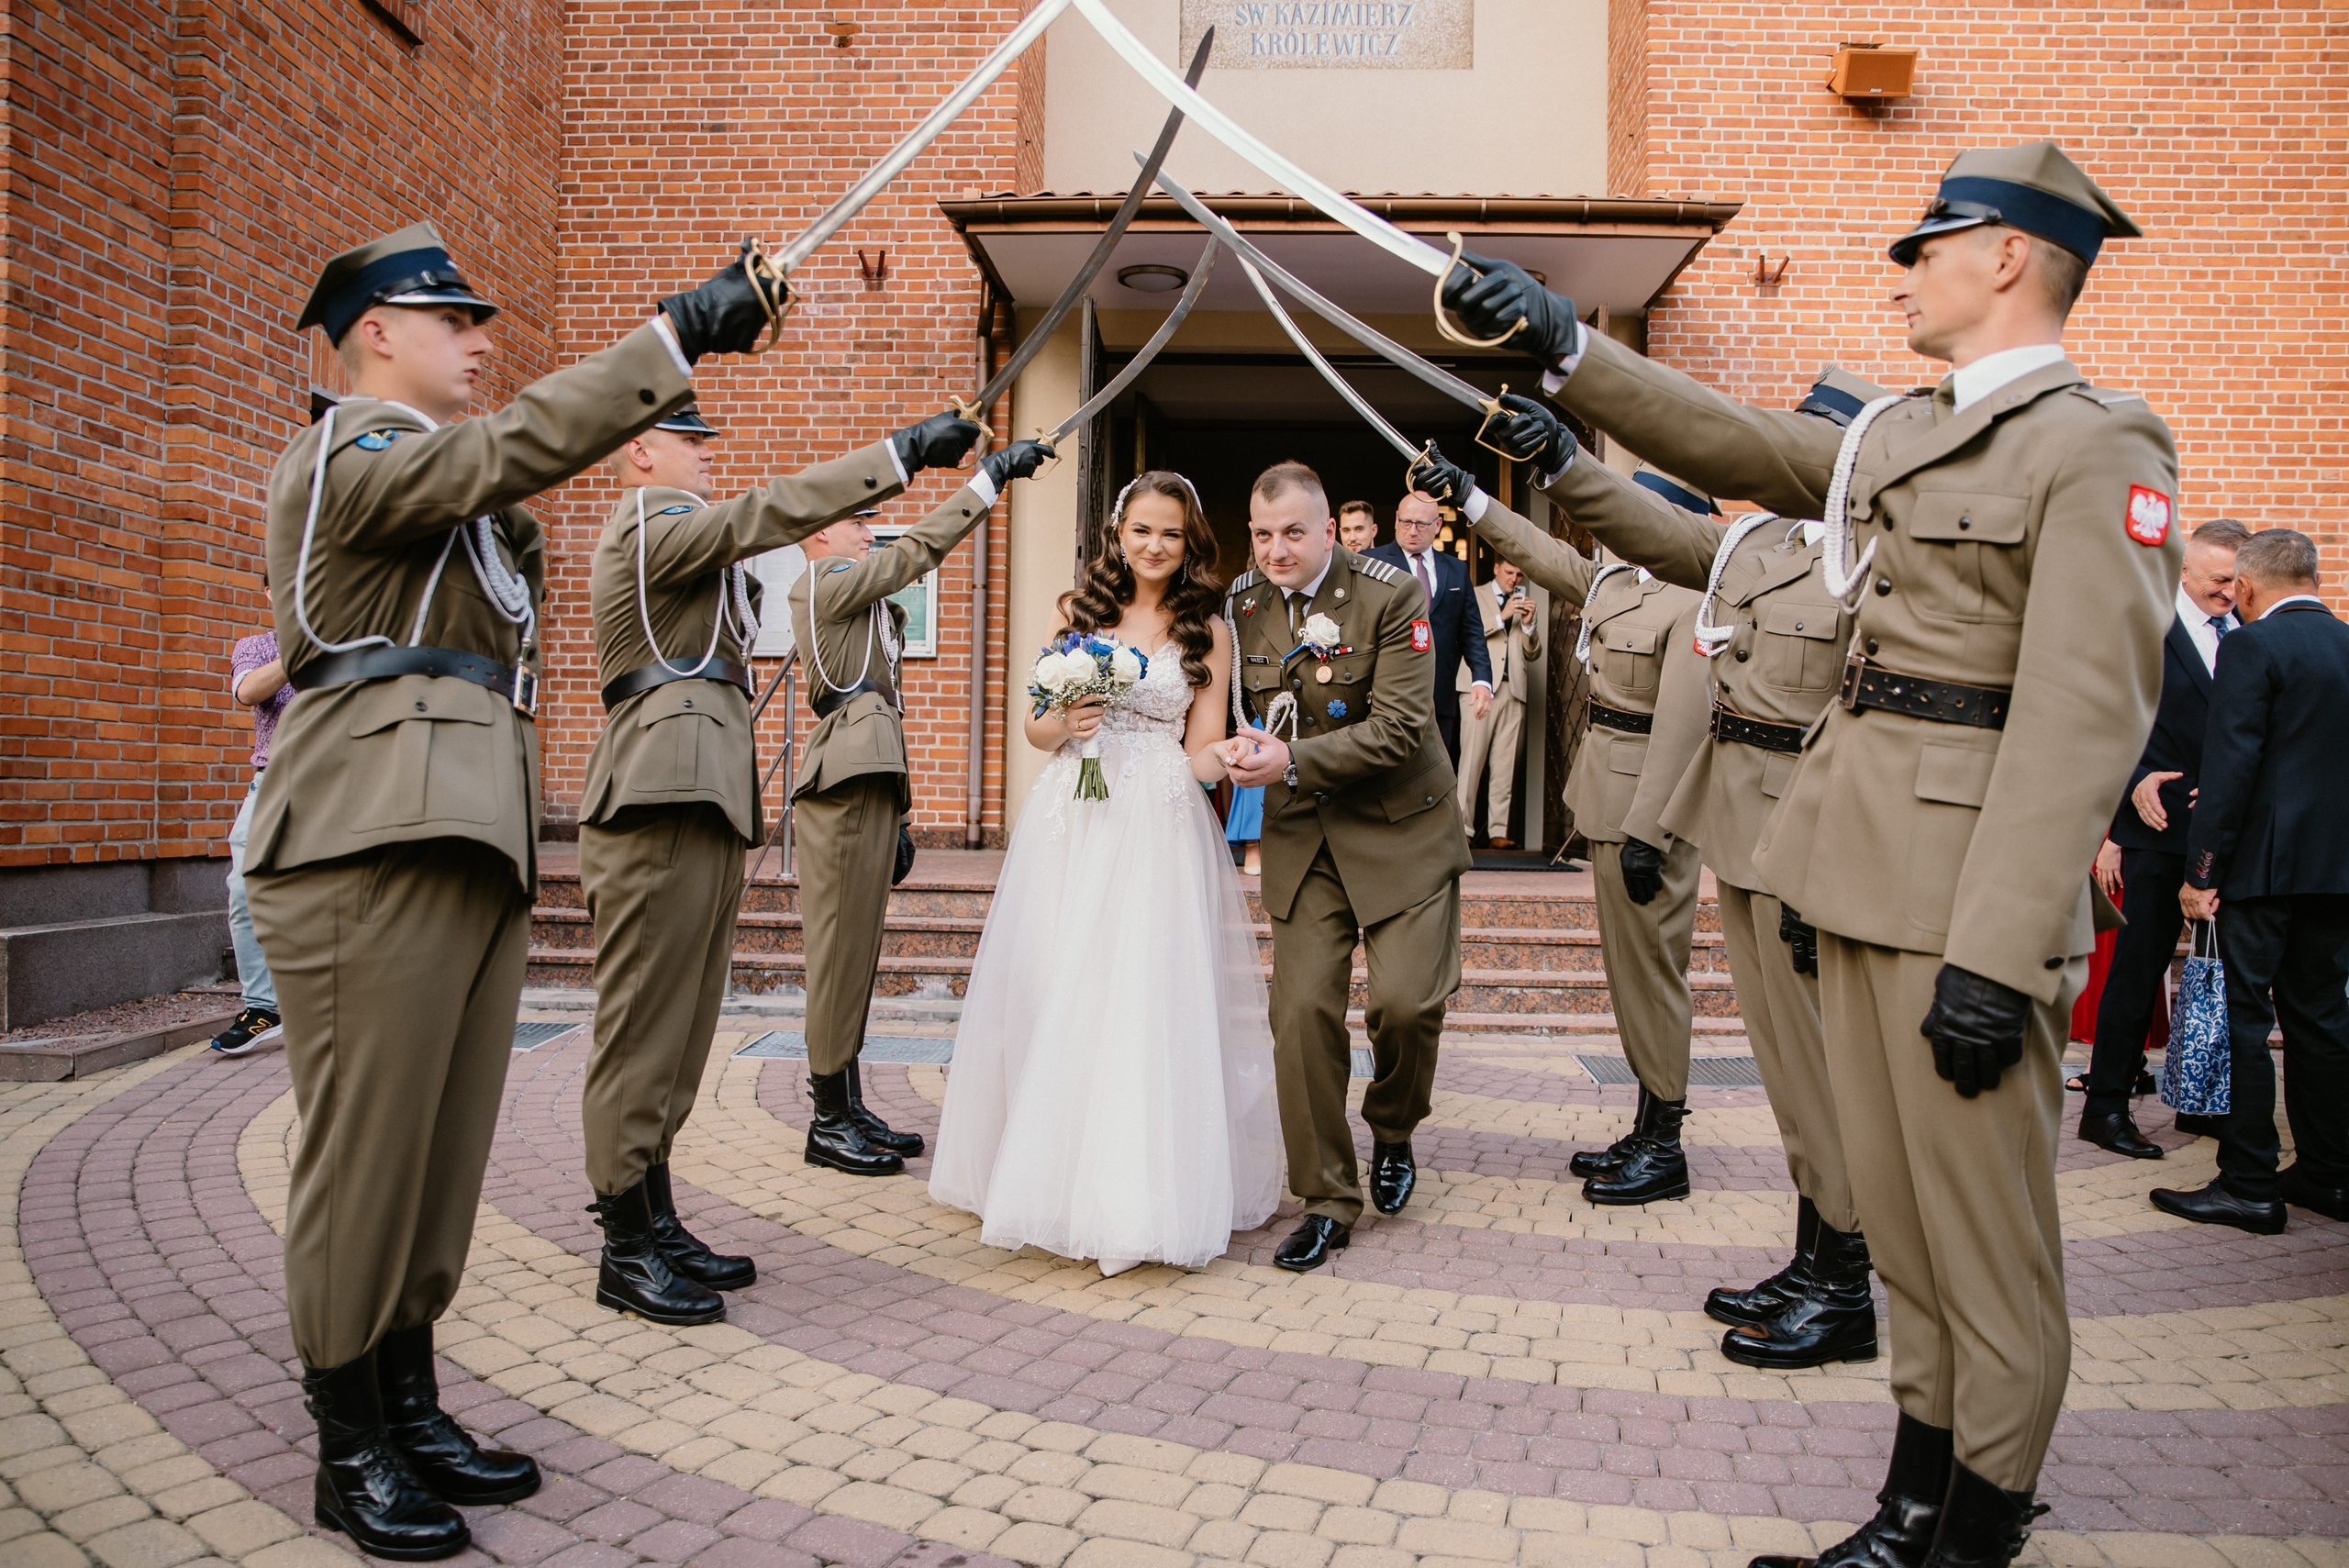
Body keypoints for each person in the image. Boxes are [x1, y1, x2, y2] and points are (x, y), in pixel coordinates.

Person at [1445, 139, 2176, 1568]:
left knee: (1985, 1241)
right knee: (1897, 1221)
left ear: (2011, 256)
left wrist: (2001, 940)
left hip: (1963, 903)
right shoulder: (1902, 436)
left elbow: (2086, 714)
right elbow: (1739, 446)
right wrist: (1565, 344)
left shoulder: (2098, 444)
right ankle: (1910, 1509)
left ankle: (1978, 1530)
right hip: (1850, 876)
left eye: (1932, 242)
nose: (1910, 265)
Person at [248, 220, 778, 1559]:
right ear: (377, 330)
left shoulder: (463, 497)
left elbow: (497, 504)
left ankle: (410, 1396)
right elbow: (500, 454)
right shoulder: (347, 450)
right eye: (456, 324)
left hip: (466, 832)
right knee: (371, 1146)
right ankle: (348, 1435)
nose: (483, 345)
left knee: (439, 1152)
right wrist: (673, 335)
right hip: (370, 833)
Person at [1423, 363, 1891, 1373]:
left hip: (1803, 840)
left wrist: (1829, 865)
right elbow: (1583, 554)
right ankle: (1817, 1256)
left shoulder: (1869, 560)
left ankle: (1844, 1272)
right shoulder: (1750, 550)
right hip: (1737, 830)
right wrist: (1503, 483)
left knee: (1825, 1064)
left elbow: (1856, 722)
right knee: (1788, 1067)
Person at [576, 401, 984, 1327]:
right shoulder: (651, 526)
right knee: (644, 1024)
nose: (703, 455)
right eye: (689, 439)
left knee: (680, 1029)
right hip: (656, 792)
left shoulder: (697, 543)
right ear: (638, 447)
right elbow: (775, 515)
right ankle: (622, 1234)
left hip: (707, 793)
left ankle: (654, 1209)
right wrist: (910, 457)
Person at [930, 473, 1283, 1275]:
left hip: (1156, 820)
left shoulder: (1209, 630)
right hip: (1075, 815)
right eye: (1141, 531)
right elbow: (1033, 726)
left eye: (1170, 533)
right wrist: (1066, 718)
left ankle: (1136, 1192)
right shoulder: (1075, 613)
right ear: (1117, 533)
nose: (1154, 546)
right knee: (1059, 983)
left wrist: (1222, 756)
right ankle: (1045, 1177)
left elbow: (1198, 746)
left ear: (1190, 540)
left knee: (1142, 994)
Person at [1412, 450, 1706, 1205]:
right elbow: (1538, 551)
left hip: (1651, 813)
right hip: (1606, 799)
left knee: (1654, 976)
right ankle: (1646, 1126)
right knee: (1625, 976)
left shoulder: (1695, 597)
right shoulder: (1616, 581)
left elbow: (1681, 724)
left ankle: (1666, 1141)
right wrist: (1472, 498)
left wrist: (1651, 831)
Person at [1220, 461, 1470, 1271]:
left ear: (1330, 529)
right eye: (1262, 534)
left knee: (1404, 1004)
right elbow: (1237, 709)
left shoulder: (1390, 595)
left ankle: (1393, 1127)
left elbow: (1402, 727)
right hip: (1307, 836)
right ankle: (1327, 1195)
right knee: (1297, 1018)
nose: (1276, 549)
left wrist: (1287, 757)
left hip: (1401, 827)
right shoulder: (1243, 603)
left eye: (1293, 532)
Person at [788, 435, 1056, 1177]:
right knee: (837, 955)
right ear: (819, 532)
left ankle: (845, 1103)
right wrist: (987, 481)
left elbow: (889, 701)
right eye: (854, 520)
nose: (869, 529)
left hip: (870, 779)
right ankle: (826, 1117)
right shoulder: (823, 580)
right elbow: (912, 558)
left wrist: (902, 813)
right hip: (843, 781)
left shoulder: (857, 594)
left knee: (859, 953)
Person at [2153, 528, 2349, 1232]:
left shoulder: (2250, 645)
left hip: (2261, 873)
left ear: (2249, 587)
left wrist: (2201, 871)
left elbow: (2231, 767)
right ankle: (2330, 1173)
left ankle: (2248, 1182)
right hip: (2337, 874)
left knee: (2242, 1019)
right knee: (2321, 1022)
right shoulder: (2347, 643)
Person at [2077, 517, 2250, 1156]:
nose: (2229, 592)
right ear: (2183, 569)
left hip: (2227, 839)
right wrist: (2136, 782)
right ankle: (2106, 1106)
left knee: (2220, 972)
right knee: (2138, 970)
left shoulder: (2247, 631)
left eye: (2238, 580)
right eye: (2217, 580)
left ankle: (2201, 1101)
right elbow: (2100, 721)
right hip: (2154, 831)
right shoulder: (2145, 628)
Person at [212, 584, 292, 1057]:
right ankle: (263, 1007)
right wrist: (304, 648)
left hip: (343, 782)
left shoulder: (353, 640)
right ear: (269, 589)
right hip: (272, 781)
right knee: (243, 889)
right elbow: (247, 692)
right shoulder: (256, 647)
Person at [1366, 492, 1491, 760]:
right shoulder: (1371, 563)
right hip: (1384, 695)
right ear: (1396, 520)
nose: (1412, 531)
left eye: (1421, 524)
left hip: (1440, 693)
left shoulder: (1456, 569)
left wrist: (1482, 679)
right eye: (1406, 522)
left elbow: (1471, 631)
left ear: (1437, 525)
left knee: (1437, 771)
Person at [1456, 556, 1541, 847]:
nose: (1514, 580)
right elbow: (1466, 634)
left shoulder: (1522, 602)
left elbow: (1532, 653)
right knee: (1471, 762)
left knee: (1505, 765)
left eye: (1519, 575)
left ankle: (1498, 832)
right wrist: (1502, 616)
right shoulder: (1475, 594)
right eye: (1509, 572)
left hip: (1513, 689)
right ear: (1496, 569)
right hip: (1478, 688)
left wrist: (1528, 626)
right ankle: (1463, 830)